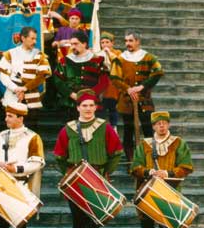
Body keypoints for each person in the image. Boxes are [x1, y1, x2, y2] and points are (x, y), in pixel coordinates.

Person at [53, 90, 123, 228]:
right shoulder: (67, 129)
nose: (88, 109)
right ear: (78, 107)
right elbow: (59, 155)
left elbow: (117, 151)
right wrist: (69, 173)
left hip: (97, 179)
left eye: (91, 105)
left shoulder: (104, 127)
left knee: (94, 223)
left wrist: (106, 172)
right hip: (76, 182)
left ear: (96, 107)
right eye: (84, 105)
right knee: (77, 223)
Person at [129, 110, 194, 228]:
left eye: (164, 123)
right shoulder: (145, 145)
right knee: (146, 224)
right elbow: (135, 166)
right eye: (158, 124)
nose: (162, 126)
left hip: (169, 189)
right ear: (153, 127)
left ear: (168, 124)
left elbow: (186, 166)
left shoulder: (178, 143)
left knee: (165, 227)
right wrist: (147, 171)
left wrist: (168, 173)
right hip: (148, 190)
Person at [111, 31, 165, 161]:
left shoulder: (148, 57)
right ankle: (131, 161)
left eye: (130, 41)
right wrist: (128, 89)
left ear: (137, 41)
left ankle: (150, 158)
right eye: (126, 41)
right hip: (126, 100)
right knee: (128, 130)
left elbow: (158, 72)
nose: (127, 43)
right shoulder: (120, 59)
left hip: (144, 100)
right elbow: (114, 77)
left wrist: (142, 87)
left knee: (148, 129)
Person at [55, 29, 109, 122]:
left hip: (91, 104)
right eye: (71, 44)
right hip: (70, 104)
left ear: (84, 44)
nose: (73, 47)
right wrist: (71, 94)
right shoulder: (64, 61)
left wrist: (89, 96)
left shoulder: (98, 60)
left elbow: (104, 82)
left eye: (76, 44)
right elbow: (58, 80)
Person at [0, 26, 51, 114]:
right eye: (32, 38)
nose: (35, 42)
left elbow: (42, 76)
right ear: (23, 38)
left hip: (32, 99)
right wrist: (16, 89)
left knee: (31, 120)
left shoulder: (39, 55)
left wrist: (25, 88)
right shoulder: (10, 53)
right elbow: (3, 76)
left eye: (36, 39)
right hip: (12, 96)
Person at [99, 31, 122, 128]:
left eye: (107, 42)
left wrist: (109, 53)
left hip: (113, 84)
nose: (105, 45)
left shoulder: (118, 53)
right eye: (102, 42)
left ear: (112, 43)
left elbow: (118, 63)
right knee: (101, 108)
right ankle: (101, 127)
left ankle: (114, 127)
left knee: (112, 106)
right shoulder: (98, 53)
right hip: (102, 83)